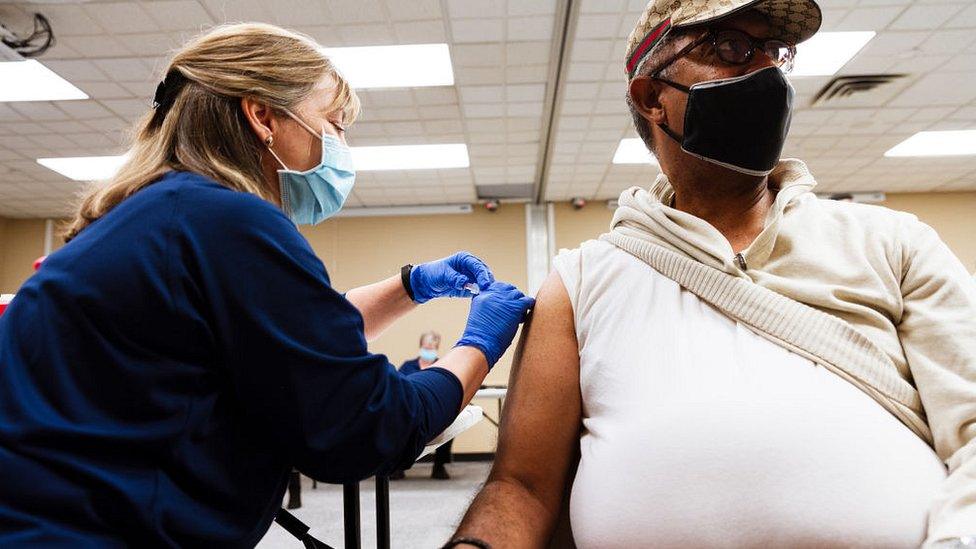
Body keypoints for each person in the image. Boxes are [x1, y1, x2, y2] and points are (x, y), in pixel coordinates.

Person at [448, 1, 976, 548]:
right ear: (653, 98)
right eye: (731, 48)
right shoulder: (582, 280)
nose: (767, 71)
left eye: (775, 51)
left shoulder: (892, 244)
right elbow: (521, 487)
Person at [0, 23, 534, 547]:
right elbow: (366, 429)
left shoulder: (154, 214)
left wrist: (410, 285)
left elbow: (272, 334)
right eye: (333, 123)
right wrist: (479, 345)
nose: (340, 144)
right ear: (262, 116)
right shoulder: (227, 220)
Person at [392, 331, 455, 480]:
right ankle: (398, 467)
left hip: (435, 409)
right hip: (411, 409)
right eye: (426, 347)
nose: (429, 350)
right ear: (421, 347)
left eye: (432, 348)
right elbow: (399, 385)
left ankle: (439, 466)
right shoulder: (408, 366)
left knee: (450, 424)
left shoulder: (442, 365)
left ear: (437, 348)